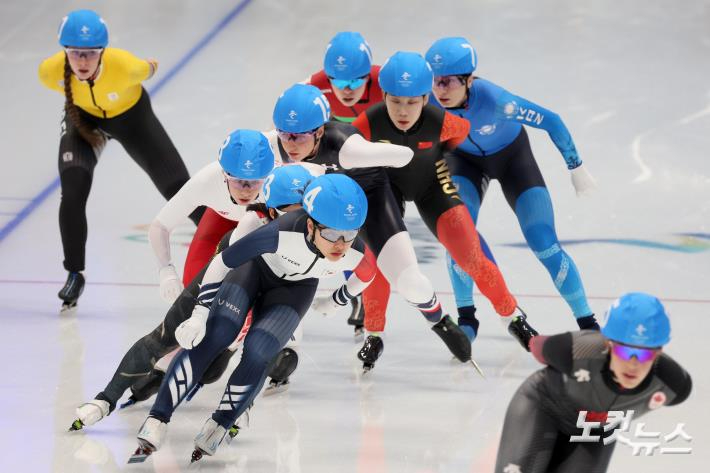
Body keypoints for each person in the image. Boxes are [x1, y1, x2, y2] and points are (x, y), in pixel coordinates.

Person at [130, 174, 376, 463]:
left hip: (294, 291)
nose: (341, 245)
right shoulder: (282, 232)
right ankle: (158, 419)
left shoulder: (356, 253)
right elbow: (223, 262)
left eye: (350, 234)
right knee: (217, 333)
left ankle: (221, 422)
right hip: (253, 273)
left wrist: (335, 301)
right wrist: (199, 313)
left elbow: (367, 276)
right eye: (332, 235)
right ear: (310, 225)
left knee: (260, 351)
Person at [67, 164, 315, 431]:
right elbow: (222, 266)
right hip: (237, 274)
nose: (293, 221)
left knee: (218, 368)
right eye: (285, 212)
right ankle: (104, 400)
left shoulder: (320, 224)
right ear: (269, 208)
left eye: (300, 212)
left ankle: (225, 383)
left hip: (276, 285)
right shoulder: (251, 220)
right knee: (166, 337)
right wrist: (197, 309)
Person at [270, 84, 476, 370]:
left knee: (410, 282)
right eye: (284, 134)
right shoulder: (277, 144)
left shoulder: (347, 148)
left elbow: (404, 156)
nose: (289, 144)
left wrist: (377, 151)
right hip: (325, 203)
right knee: (285, 261)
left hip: (369, 200)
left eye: (298, 136)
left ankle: (439, 320)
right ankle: (285, 344)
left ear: (319, 132)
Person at [352, 51, 537, 367]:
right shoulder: (368, 123)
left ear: (426, 98)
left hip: (431, 186)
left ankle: (512, 317)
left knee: (471, 255)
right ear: (383, 96)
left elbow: (461, 135)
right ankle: (374, 334)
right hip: (386, 188)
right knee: (377, 259)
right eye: (395, 101)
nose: (403, 110)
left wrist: (438, 163)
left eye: (413, 102)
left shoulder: (445, 122)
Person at [424, 37, 599, 341]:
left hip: (513, 161)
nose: (440, 90)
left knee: (543, 241)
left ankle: (588, 323)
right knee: (458, 232)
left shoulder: (498, 102)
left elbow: (552, 121)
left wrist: (577, 168)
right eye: (435, 81)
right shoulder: (425, 100)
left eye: (448, 82)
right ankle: (467, 317)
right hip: (463, 162)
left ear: (469, 79)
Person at [38, 9, 201, 312]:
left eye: (90, 54)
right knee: (72, 190)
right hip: (83, 121)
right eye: (75, 54)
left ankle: (230, 245)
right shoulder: (49, 72)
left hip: (133, 121)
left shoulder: (126, 67)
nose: (83, 62)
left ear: (102, 52)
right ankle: (75, 272)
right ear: (65, 53)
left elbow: (150, 67)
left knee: (178, 188)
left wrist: (150, 66)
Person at [495, 292, 692, 472]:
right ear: (608, 344)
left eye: (644, 355)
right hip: (543, 407)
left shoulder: (673, 385)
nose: (633, 365)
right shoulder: (575, 350)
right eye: (625, 351)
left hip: (595, 430)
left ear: (658, 353)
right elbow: (537, 345)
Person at [306, 31, 385, 335]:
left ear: (368, 76)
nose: (347, 90)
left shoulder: (384, 82)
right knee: (344, 230)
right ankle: (358, 295)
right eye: (338, 82)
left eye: (355, 82)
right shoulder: (315, 86)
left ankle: (367, 294)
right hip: (336, 167)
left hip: (377, 163)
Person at [149, 129, 276, 303]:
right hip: (221, 219)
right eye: (238, 180)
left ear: (268, 177)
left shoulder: (280, 185)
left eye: (255, 182)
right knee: (193, 291)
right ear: (224, 174)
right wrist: (166, 271)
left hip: (264, 224)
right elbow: (160, 226)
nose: (246, 190)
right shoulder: (206, 181)